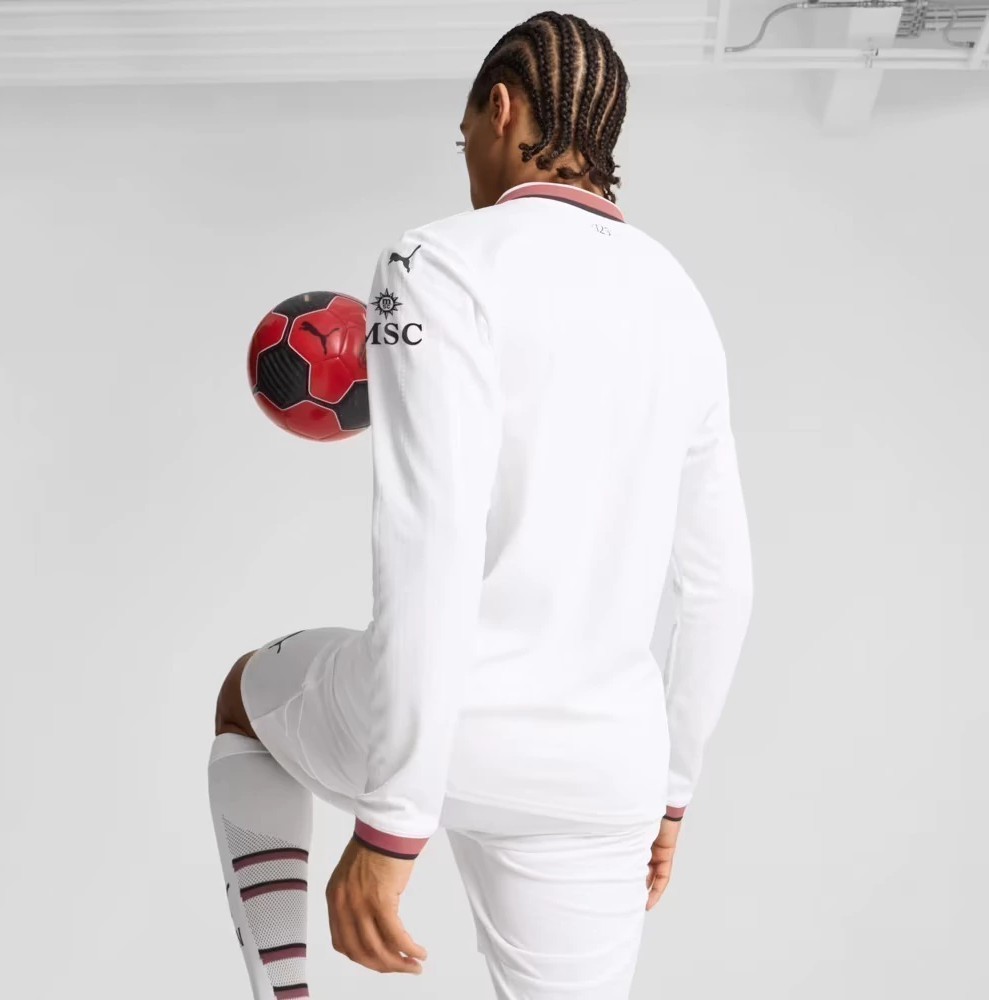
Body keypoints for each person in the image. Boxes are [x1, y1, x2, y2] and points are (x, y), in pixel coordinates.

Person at [208, 10, 753, 999]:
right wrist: (671, 792)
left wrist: (392, 821)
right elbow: (721, 585)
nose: (463, 152)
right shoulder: (682, 300)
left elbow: (433, 536)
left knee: (246, 695)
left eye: (463, 130)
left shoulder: (434, 262)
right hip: (606, 776)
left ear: (499, 108)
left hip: (450, 735)